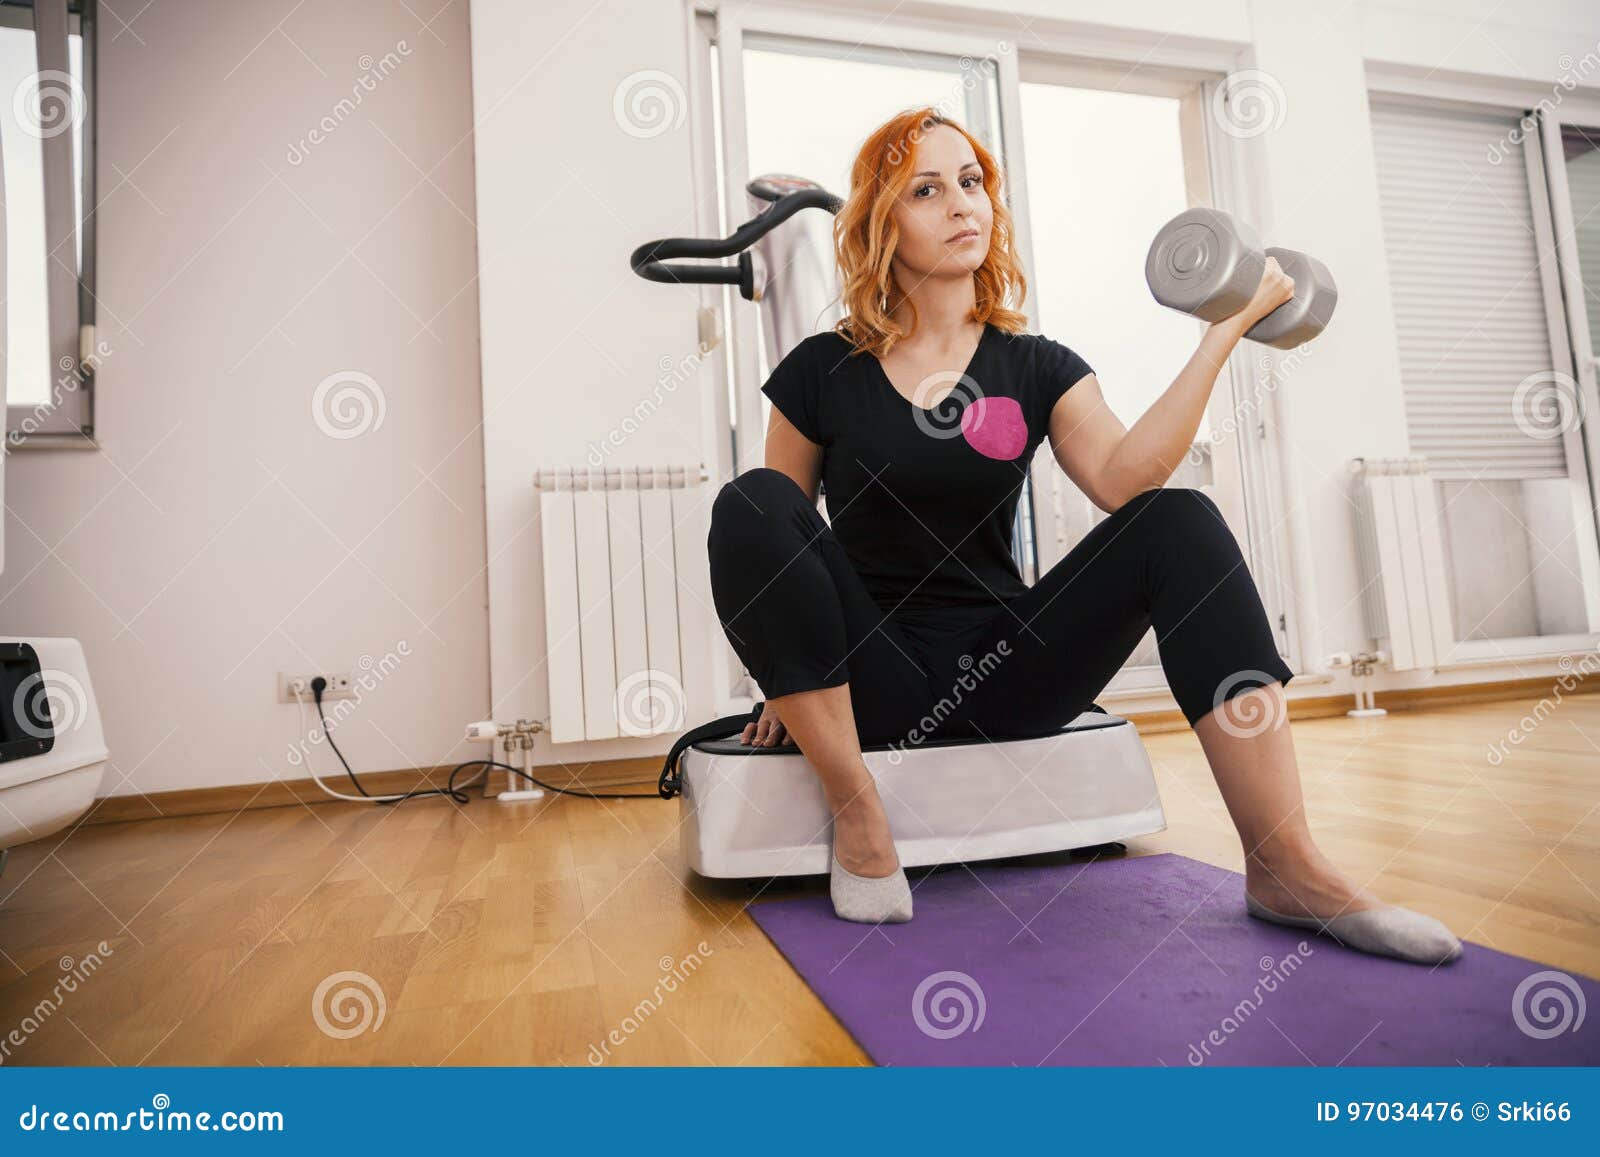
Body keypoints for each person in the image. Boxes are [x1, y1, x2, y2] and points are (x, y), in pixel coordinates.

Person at [706, 107, 1460, 965]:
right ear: (883, 223)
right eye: (926, 189)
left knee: (1181, 520)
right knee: (751, 499)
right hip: (870, 672)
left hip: (1004, 667)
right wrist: (786, 676)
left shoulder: (1037, 365)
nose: (961, 203)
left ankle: (1283, 861)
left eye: (971, 182)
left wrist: (1220, 337)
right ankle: (858, 809)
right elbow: (780, 538)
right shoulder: (819, 369)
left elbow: (1124, 480)